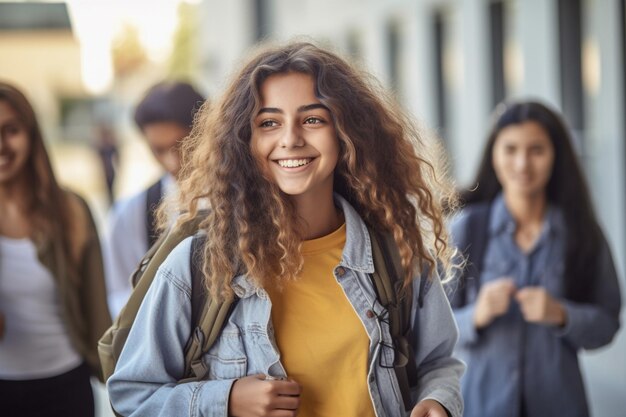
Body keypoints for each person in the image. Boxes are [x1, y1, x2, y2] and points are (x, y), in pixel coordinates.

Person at [107, 41, 464, 417]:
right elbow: (132, 394)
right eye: (269, 123)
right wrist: (224, 400)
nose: (291, 139)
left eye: (312, 119)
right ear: (245, 140)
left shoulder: (397, 253)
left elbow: (439, 362)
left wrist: (437, 400)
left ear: (346, 133)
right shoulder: (197, 266)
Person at [447, 100, 622, 417]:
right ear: (494, 154)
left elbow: (608, 322)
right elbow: (428, 327)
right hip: (480, 406)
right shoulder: (467, 228)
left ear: (556, 156)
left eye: (536, 150)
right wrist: (477, 315)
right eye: (510, 149)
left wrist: (562, 314)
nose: (522, 163)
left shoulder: (582, 233)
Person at [0, 81, 112, 416]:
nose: (2, 144)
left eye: (11, 130)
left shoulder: (71, 209)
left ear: (32, 134)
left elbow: (97, 308)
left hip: (66, 387)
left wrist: (120, 379)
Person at [104, 81, 205, 317]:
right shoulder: (132, 212)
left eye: (183, 145)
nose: (173, 162)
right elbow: (120, 297)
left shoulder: (245, 197)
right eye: (159, 150)